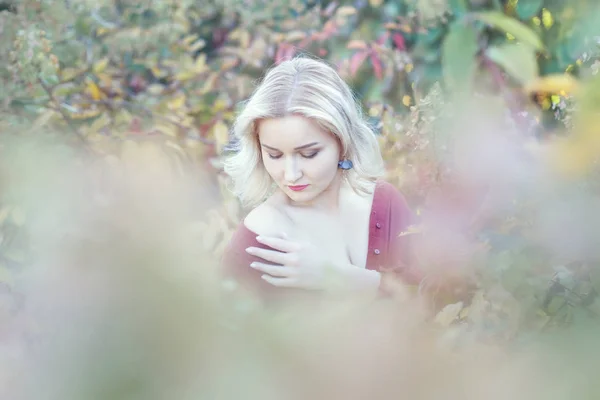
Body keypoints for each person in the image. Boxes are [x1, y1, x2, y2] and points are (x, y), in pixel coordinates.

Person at [221, 56, 423, 303]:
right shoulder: (256, 241)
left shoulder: (385, 203)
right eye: (274, 155)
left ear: (342, 141)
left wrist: (338, 278)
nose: (291, 174)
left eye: (309, 154)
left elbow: (435, 305)